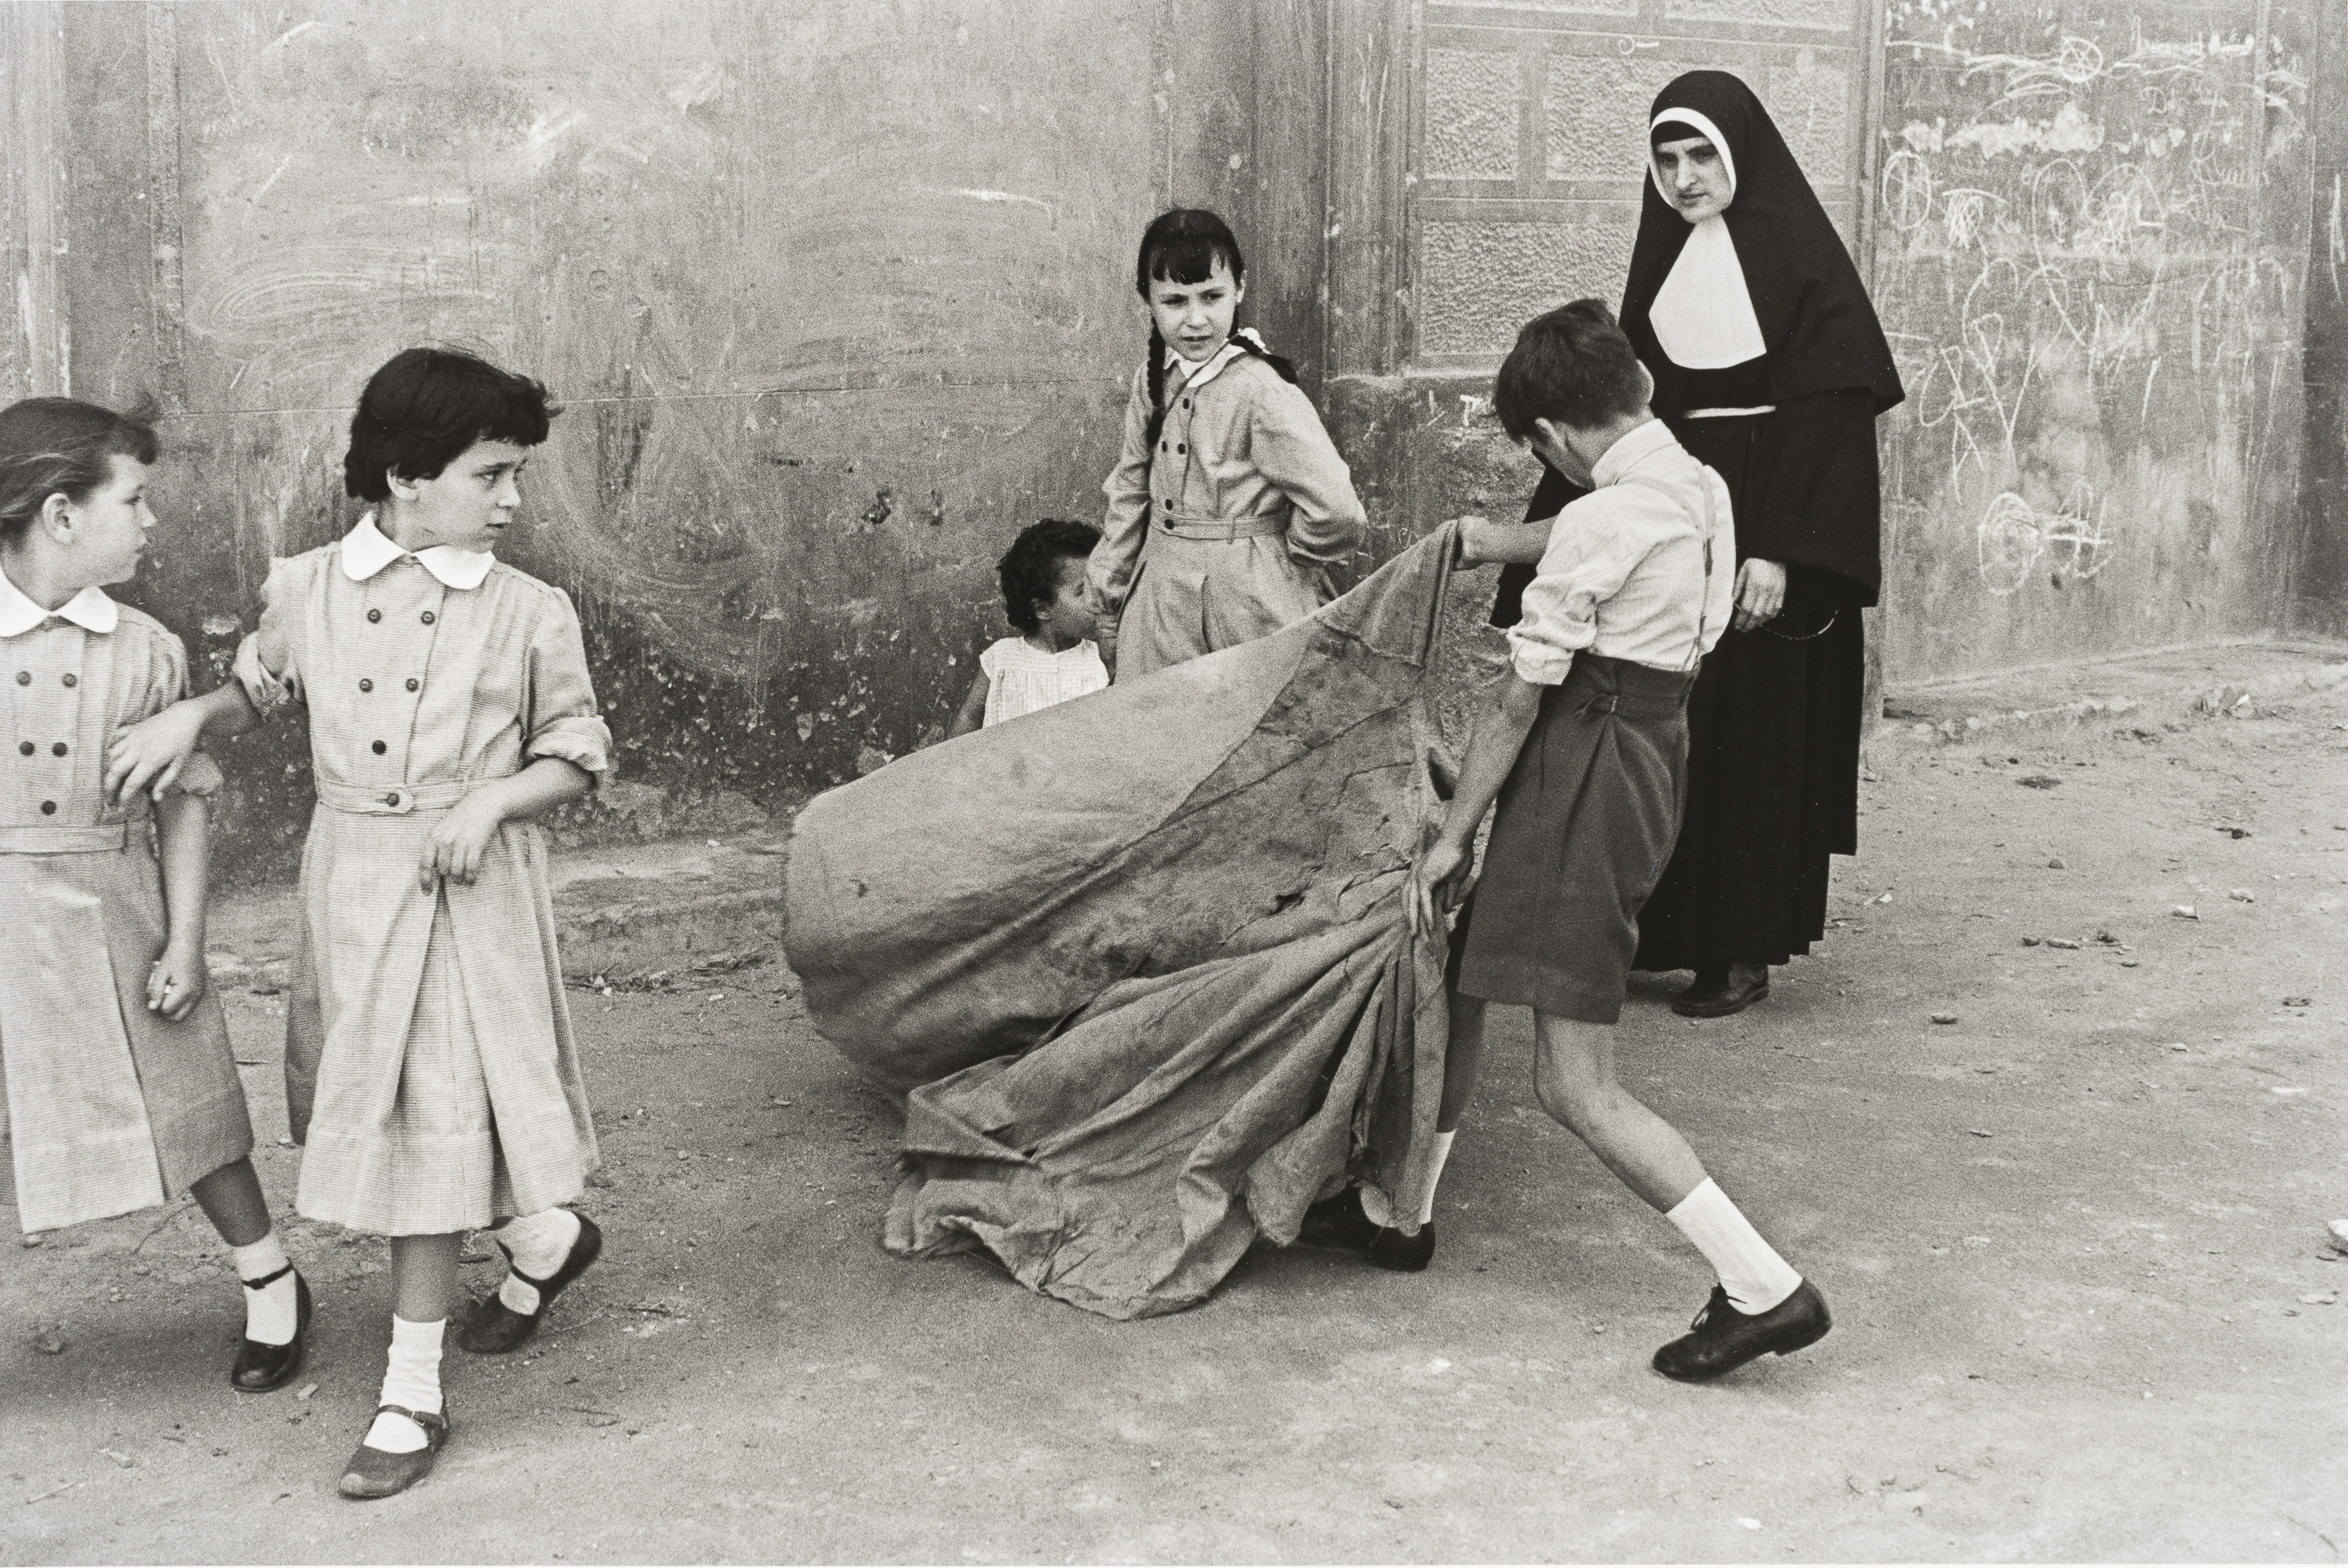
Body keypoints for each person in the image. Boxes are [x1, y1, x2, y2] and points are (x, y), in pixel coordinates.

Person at [107, 348, 612, 1499]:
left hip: (469, 893)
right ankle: (543, 1241)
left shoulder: (533, 610)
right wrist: (197, 712)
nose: (514, 499)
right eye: (492, 473)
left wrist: (491, 797)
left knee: (428, 1117)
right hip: (354, 887)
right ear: (407, 476)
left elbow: (577, 751)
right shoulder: (304, 587)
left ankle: (412, 1390)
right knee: (395, 1111)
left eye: (517, 474)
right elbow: (264, 686)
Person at [1410, 300, 1830, 1381]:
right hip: (1646, 753)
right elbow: (1608, 520)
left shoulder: (1606, 519)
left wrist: (1456, 835)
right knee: (1461, 981)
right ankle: (1400, 1208)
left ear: (1551, 439)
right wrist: (1505, 538)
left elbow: (1514, 702)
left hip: (1579, 769)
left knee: (1572, 1083)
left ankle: (1763, 1287)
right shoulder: (1694, 481)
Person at [1496, 71, 1904, 1017]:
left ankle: (1742, 950)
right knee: (1679, 733)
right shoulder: (1661, 264)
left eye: (1701, 157)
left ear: (1739, 156)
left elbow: (1832, 426)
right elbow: (1620, 414)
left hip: (1768, 532)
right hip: (1682, 526)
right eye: (1668, 159)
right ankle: (1670, 930)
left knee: (1757, 738)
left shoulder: (1808, 271)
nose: (1684, 178)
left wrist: (1780, 552)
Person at [0, 397, 308, 1393]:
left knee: (188, 1095)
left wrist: (184, 941)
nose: (149, 521)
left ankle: (270, 1282)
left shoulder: (145, 650)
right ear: (60, 514)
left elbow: (181, 811)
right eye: (133, 500)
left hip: (117, 905)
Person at [1089, 208, 1367, 682]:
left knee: (1248, 738)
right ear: (1147, 301)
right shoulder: (1152, 380)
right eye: (1175, 301)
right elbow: (1132, 489)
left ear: (1239, 288)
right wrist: (1109, 597)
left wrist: (1277, 558)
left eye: (1212, 297)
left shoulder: (1263, 390)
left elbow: (1338, 511)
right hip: (1159, 608)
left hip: (1248, 607)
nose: (1196, 320)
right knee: (1159, 739)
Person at [948, 518, 1107, 737]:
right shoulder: (1003, 658)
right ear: (1042, 609)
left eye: (1097, 586)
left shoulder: (1101, 657)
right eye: (1081, 591)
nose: (1097, 598)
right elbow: (969, 717)